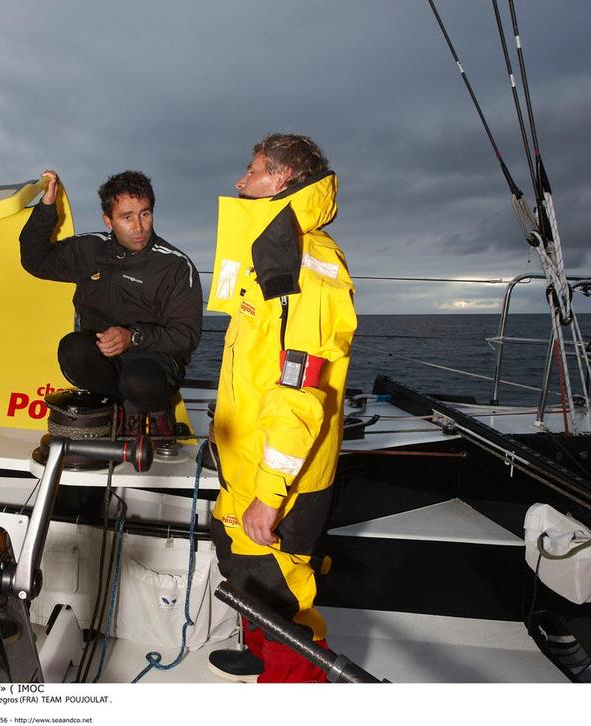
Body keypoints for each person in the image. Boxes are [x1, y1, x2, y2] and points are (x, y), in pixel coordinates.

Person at [206, 134, 356, 682]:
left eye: (252, 172)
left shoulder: (306, 265)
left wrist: (270, 495)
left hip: (279, 477)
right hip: (247, 459)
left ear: (284, 178)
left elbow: (300, 392)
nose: (240, 183)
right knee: (245, 568)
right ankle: (259, 649)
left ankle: (296, 684)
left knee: (282, 592)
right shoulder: (274, 252)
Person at [19, 169, 202, 435]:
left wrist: (133, 337)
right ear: (108, 220)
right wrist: (47, 207)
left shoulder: (174, 265)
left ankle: (158, 413)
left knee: (139, 380)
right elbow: (35, 260)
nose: (139, 227)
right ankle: (124, 411)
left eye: (145, 213)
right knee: (72, 350)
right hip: (106, 356)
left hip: (154, 360)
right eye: (126, 217)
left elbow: (187, 336)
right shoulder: (90, 249)